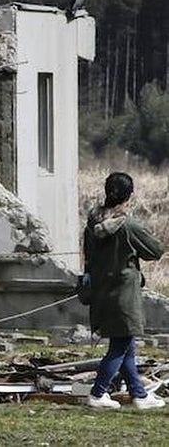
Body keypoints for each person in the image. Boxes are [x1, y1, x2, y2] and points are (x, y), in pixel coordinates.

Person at [83, 171, 165, 409]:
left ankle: (139, 395)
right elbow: (155, 250)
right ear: (129, 195)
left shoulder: (92, 222)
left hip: (101, 292)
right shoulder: (127, 225)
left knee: (126, 344)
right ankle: (98, 394)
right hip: (123, 295)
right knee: (119, 347)